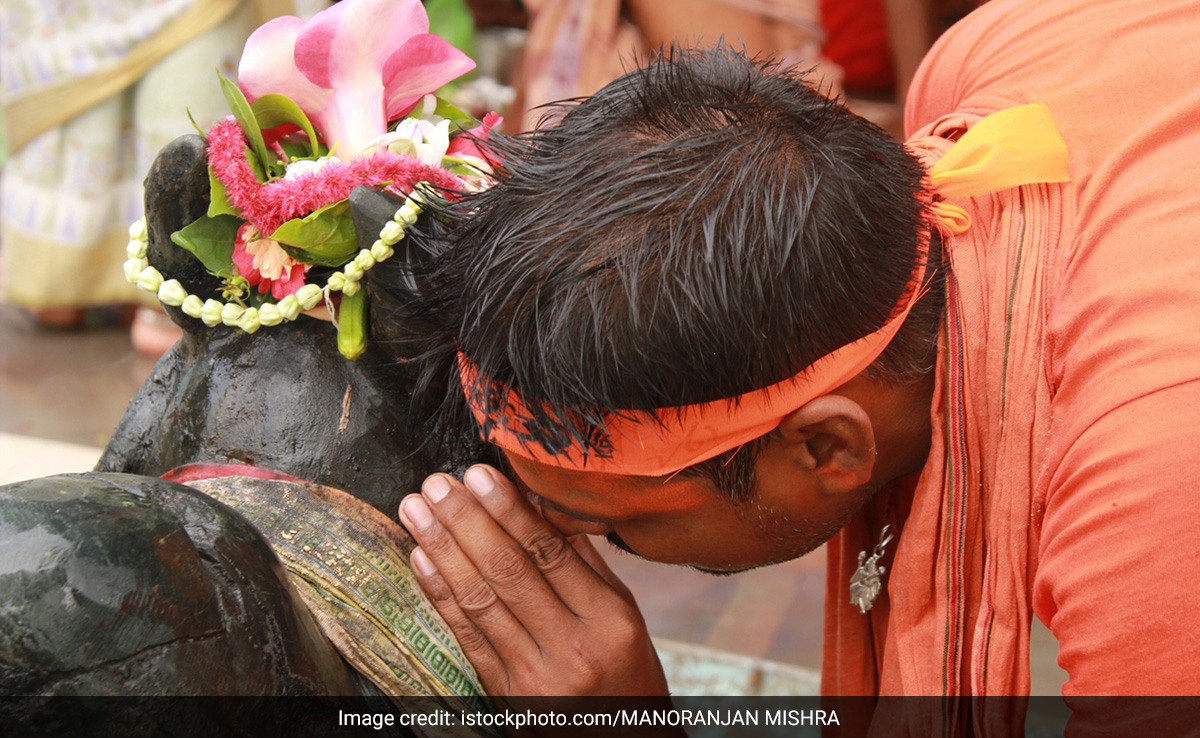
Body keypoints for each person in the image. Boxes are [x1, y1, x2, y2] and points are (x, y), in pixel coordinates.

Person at [389, 0, 1200, 732]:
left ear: (827, 450)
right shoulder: (991, 55)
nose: (581, 545)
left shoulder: (1154, 517)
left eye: (620, 526)